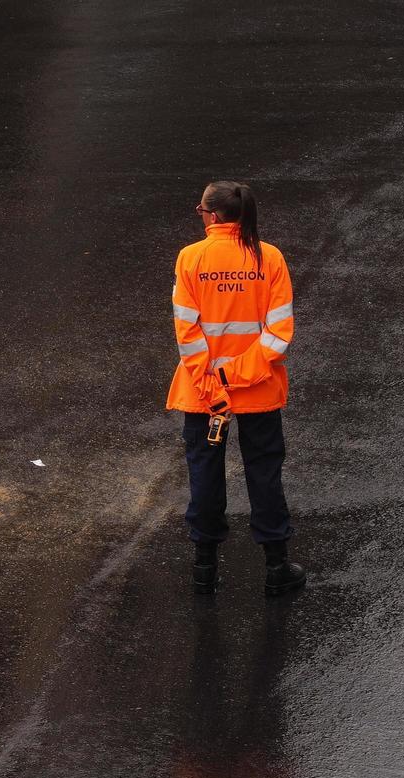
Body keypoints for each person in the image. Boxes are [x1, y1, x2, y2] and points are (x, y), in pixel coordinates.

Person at [167, 181, 305, 596]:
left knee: (204, 474)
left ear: (210, 215)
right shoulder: (270, 258)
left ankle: (204, 568)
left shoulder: (191, 258)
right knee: (264, 473)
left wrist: (213, 379)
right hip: (258, 390)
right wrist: (237, 377)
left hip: (203, 391)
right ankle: (276, 566)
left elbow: (186, 331)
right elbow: (278, 333)